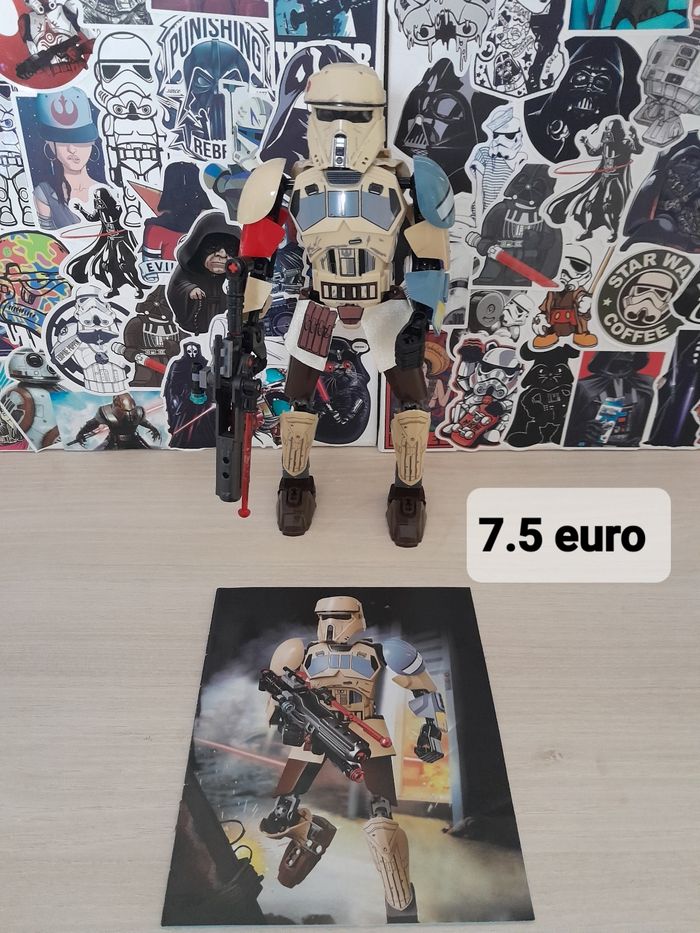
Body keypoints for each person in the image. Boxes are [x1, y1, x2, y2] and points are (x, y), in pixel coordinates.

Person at [32, 87, 102, 231]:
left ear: (92, 142)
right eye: (62, 141)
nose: (72, 149)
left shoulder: (107, 191)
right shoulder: (45, 193)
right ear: (49, 144)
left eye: (80, 139)